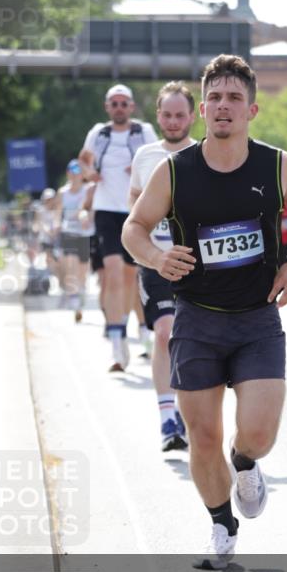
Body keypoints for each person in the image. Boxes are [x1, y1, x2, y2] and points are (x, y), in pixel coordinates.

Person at [123, 54, 287, 568]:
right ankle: (221, 523)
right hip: (197, 317)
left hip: (257, 319)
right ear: (202, 109)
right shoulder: (176, 171)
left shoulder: (276, 165)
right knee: (203, 436)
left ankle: (246, 463)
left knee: (257, 434)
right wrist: (156, 256)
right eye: (214, 97)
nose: (223, 107)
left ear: (252, 109)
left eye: (234, 98)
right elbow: (134, 227)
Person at [129, 81, 196, 452]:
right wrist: (143, 244)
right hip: (155, 260)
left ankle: (191, 409)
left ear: (192, 116)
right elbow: (135, 205)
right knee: (164, 333)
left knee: (191, 339)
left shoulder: (205, 155)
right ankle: (167, 417)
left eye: (180, 115)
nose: (173, 122)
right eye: (167, 115)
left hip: (195, 262)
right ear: (158, 116)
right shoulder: (145, 157)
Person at [79, 84, 156, 372]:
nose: (120, 107)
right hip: (106, 210)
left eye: (124, 103)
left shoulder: (143, 132)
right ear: (107, 107)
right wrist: (89, 173)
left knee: (133, 278)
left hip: (136, 211)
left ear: (132, 107)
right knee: (112, 274)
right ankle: (117, 342)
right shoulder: (98, 133)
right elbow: (83, 161)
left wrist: (139, 169)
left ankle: (143, 330)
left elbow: (158, 161)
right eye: (115, 103)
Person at [56, 160, 95, 321]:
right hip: (69, 232)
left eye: (77, 170)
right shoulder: (63, 192)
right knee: (70, 265)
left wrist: (89, 219)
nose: (74, 173)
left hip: (85, 234)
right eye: (71, 170)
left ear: (82, 174)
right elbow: (58, 213)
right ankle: (74, 301)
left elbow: (92, 209)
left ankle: (81, 290)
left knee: (82, 270)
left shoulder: (88, 190)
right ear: (68, 173)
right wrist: (56, 225)